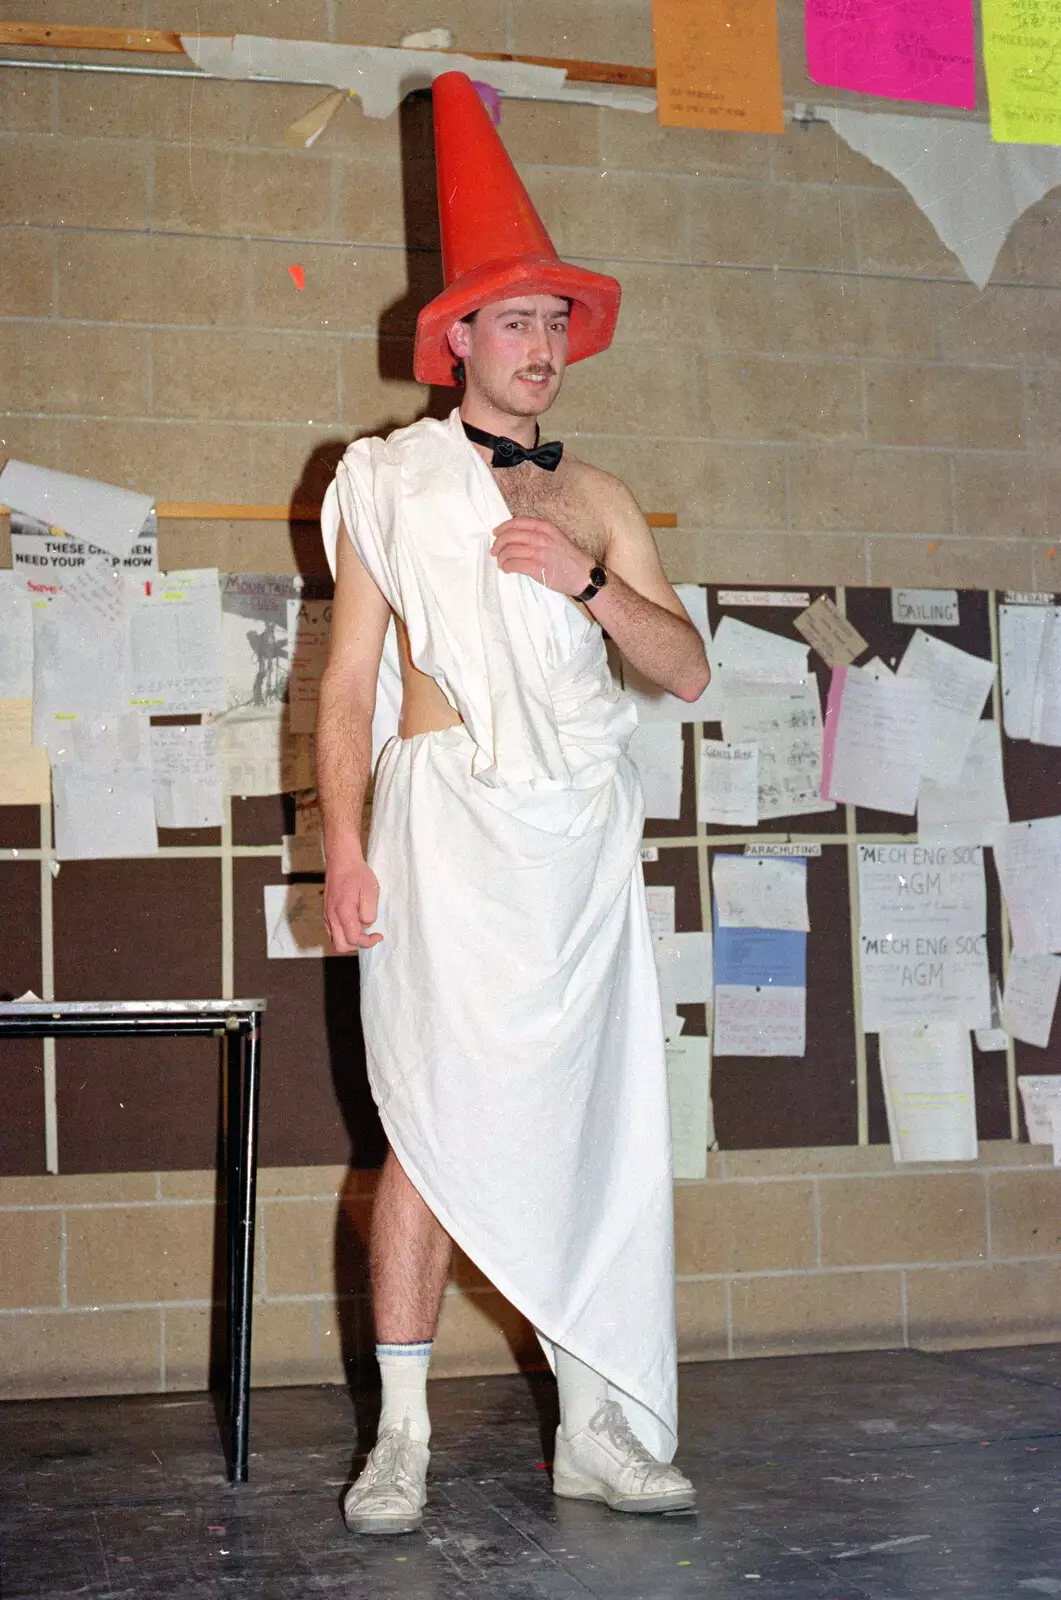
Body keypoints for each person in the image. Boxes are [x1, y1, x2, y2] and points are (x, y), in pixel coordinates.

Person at [317, 71, 710, 1538]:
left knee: (598, 1130)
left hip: (580, 851)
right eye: (515, 320)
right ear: (458, 336)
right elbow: (351, 685)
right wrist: (344, 844)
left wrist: (593, 583)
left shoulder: (599, 496)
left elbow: (684, 667)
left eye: (558, 322)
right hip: (447, 843)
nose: (542, 346)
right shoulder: (390, 482)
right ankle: (402, 1435)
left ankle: (597, 1422)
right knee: (424, 1129)